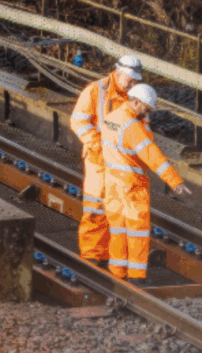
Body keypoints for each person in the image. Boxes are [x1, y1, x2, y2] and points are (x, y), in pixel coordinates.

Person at [102, 83, 191, 283]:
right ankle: (136, 277)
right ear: (136, 102)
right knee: (137, 232)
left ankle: (117, 272)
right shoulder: (133, 128)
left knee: (117, 230)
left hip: (113, 184)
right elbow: (153, 156)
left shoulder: (112, 118)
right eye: (146, 109)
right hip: (132, 186)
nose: (148, 113)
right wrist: (175, 181)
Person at [70, 55, 144, 267]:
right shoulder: (96, 91)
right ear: (118, 73)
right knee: (97, 208)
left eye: (135, 82)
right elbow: (78, 121)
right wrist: (99, 145)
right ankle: (93, 256)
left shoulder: (135, 97)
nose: (132, 85)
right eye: (130, 80)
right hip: (99, 161)